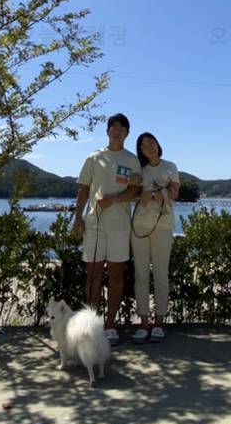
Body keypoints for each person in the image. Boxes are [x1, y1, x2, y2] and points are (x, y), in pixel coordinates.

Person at [73, 113, 142, 345]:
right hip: (94, 224)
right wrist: (78, 218)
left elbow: (136, 191)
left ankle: (111, 325)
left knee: (116, 274)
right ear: (107, 131)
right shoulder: (94, 157)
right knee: (92, 274)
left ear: (127, 133)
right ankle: (91, 325)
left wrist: (114, 199)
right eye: (114, 126)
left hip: (120, 226)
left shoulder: (132, 160)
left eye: (122, 127)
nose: (117, 130)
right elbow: (83, 188)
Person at [130, 132, 180, 343]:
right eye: (143, 145)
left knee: (161, 274)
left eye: (151, 142)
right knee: (141, 274)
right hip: (140, 226)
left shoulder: (170, 166)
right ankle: (143, 323)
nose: (148, 147)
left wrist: (152, 194)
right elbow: (132, 193)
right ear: (140, 151)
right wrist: (153, 193)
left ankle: (159, 323)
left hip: (163, 225)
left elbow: (175, 193)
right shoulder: (138, 169)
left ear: (158, 144)